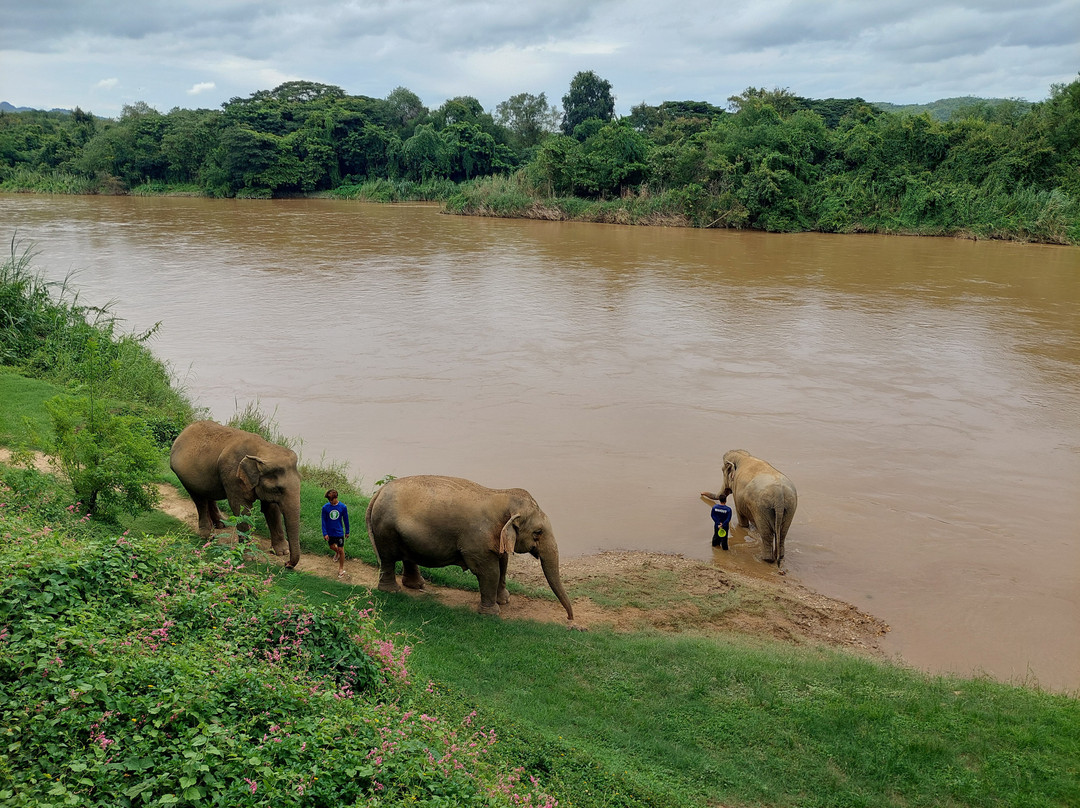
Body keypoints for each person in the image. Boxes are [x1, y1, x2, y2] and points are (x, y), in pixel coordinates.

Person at [321, 489, 350, 577]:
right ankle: (336, 552)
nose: (330, 502)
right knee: (331, 546)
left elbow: (346, 520)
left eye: (331, 500)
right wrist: (325, 533)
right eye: (329, 500)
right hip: (330, 532)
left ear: (336, 497)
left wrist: (347, 531)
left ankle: (341, 568)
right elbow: (323, 521)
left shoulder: (343, 507)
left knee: (341, 550)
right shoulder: (325, 508)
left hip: (339, 532)